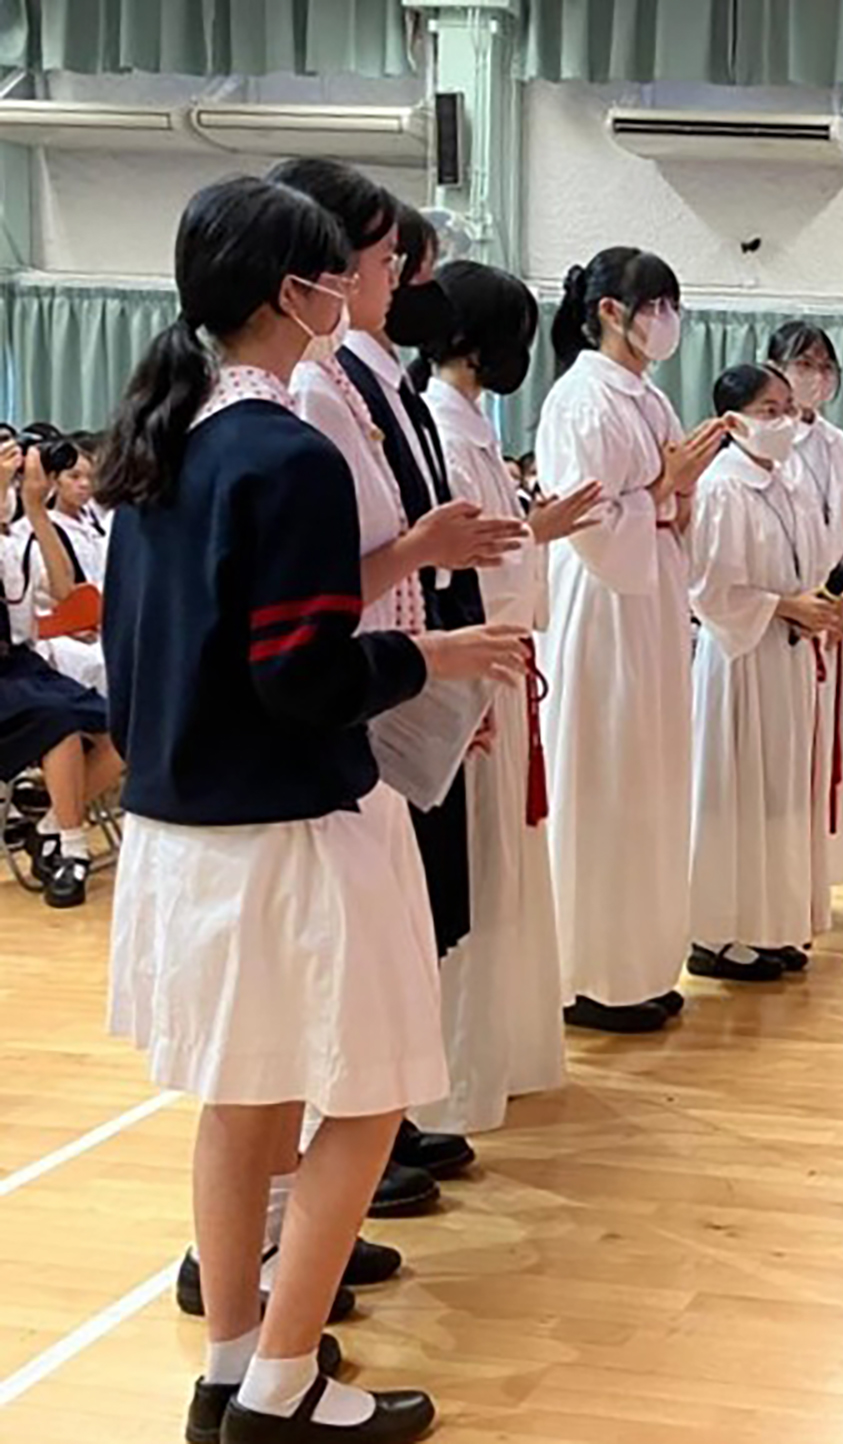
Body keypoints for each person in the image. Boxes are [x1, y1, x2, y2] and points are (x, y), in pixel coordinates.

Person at [97, 173, 526, 1444]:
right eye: (344, 269)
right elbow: (302, 675)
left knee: (243, 1103)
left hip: (185, 827)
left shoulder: (161, 436)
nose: (360, 289)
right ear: (296, 291)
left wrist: (399, 569)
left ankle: (232, 1359)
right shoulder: (281, 448)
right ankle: (288, 1378)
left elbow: (200, 644)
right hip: (294, 827)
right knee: (368, 1091)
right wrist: (432, 658)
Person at [271, 159, 524, 1211]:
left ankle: (357, 1153)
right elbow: (332, 580)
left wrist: (442, 679)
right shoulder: (298, 400)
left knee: (401, 932)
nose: (393, 281)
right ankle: (298, 1212)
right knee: (321, 982)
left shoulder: (365, 383)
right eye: (381, 261)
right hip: (342, 697)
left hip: (389, 678)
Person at [416, 259, 602, 1132]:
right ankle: (450, 1087)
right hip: (472, 668)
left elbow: (493, 549)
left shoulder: (473, 429)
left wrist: (536, 531)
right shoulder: (446, 433)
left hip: (499, 665)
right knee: (472, 885)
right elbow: (464, 570)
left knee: (502, 878)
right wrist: (533, 537)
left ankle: (494, 1060)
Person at [537, 246, 733, 1028]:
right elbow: (587, 526)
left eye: (671, 304)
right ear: (610, 312)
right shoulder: (582, 400)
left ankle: (642, 961)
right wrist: (664, 489)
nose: (666, 320)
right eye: (654, 304)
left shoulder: (646, 399)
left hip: (648, 603)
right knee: (603, 777)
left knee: (649, 779)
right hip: (602, 607)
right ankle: (588, 973)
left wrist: (674, 498)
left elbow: (666, 510)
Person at [687, 364, 843, 980]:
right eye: (769, 409)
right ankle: (719, 935)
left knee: (780, 795)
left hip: (787, 656)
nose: (783, 420)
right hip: (741, 660)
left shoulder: (788, 482)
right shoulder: (723, 488)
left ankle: (771, 922)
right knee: (737, 792)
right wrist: (782, 606)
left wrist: (819, 607)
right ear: (733, 421)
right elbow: (709, 589)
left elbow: (811, 563)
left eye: (787, 407)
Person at [767, 323, 843, 924]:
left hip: (828, 617)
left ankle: (812, 874)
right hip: (779, 616)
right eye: (802, 363)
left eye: (823, 365)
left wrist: (836, 598)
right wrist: (795, 602)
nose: (814, 376)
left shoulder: (841, 449)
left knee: (821, 751)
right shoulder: (756, 446)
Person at [1, 439, 120, 909]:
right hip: (10, 680)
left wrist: (35, 508)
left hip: (24, 666)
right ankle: (72, 849)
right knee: (59, 724)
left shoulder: (17, 535)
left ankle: (49, 824)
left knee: (123, 727)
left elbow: (65, 587)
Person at [20, 429, 109, 692]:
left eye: (90, 478)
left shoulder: (96, 525)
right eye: (74, 477)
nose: (84, 485)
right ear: (54, 481)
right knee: (98, 664)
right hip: (52, 627)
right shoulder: (33, 528)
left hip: (96, 616)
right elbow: (57, 592)